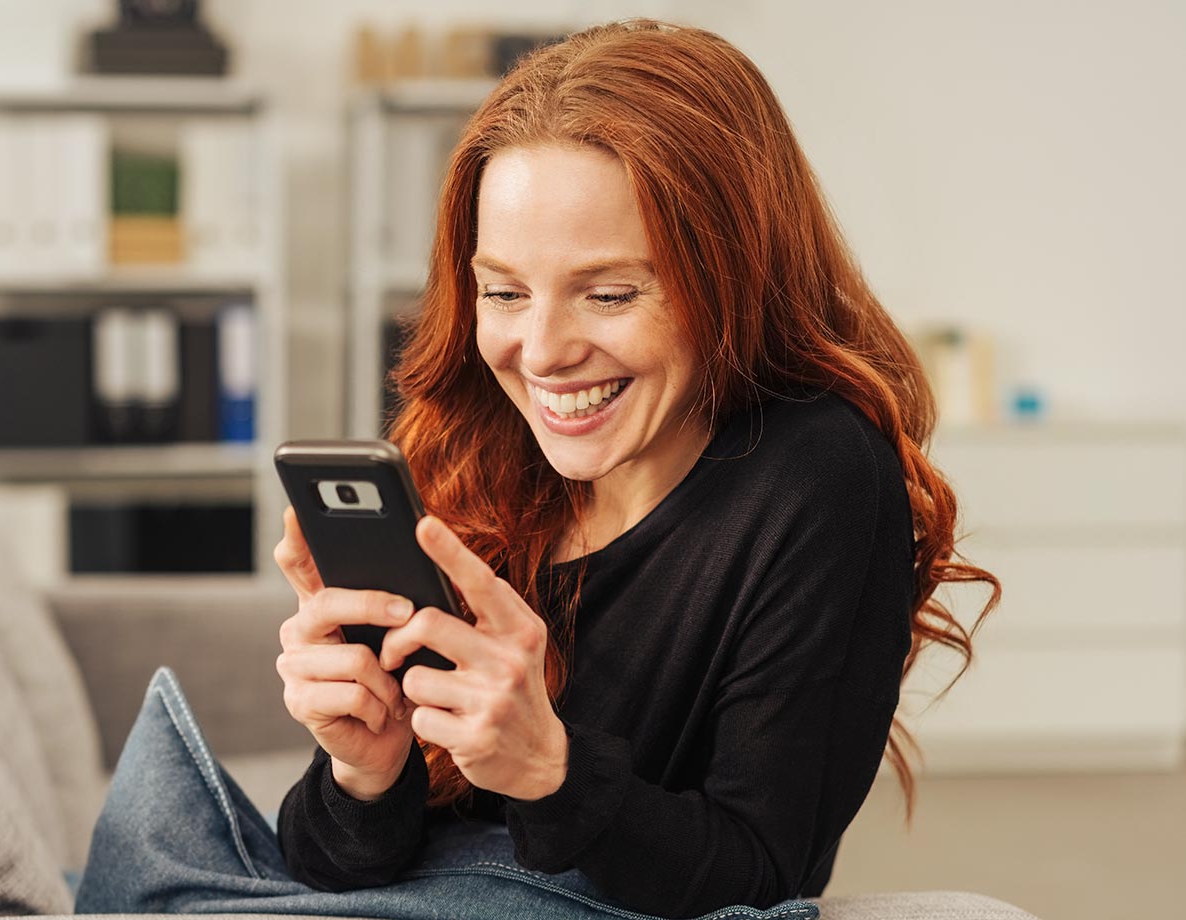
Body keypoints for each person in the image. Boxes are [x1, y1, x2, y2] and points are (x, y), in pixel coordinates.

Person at [75, 17, 999, 920]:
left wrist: (548, 770)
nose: (543, 352)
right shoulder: (476, 440)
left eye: (608, 293)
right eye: (504, 292)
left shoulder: (817, 476)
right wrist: (366, 768)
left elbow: (764, 874)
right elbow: (335, 869)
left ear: (736, 276)